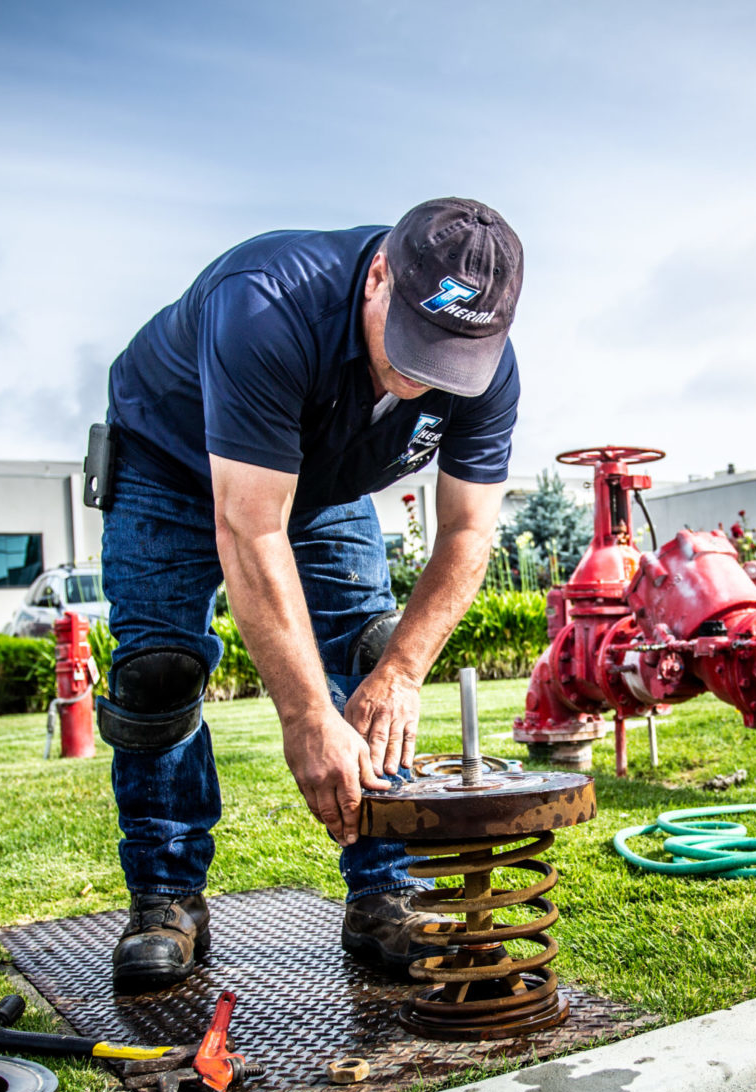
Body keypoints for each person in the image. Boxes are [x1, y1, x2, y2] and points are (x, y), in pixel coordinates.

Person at [92, 197, 524, 992]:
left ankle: (383, 889)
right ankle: (167, 899)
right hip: (171, 461)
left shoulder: (488, 372)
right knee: (159, 670)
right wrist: (304, 717)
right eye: (411, 347)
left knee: (370, 649)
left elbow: (467, 533)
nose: (421, 377)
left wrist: (398, 672)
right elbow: (252, 529)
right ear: (380, 275)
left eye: (448, 361)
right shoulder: (264, 305)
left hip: (327, 479)